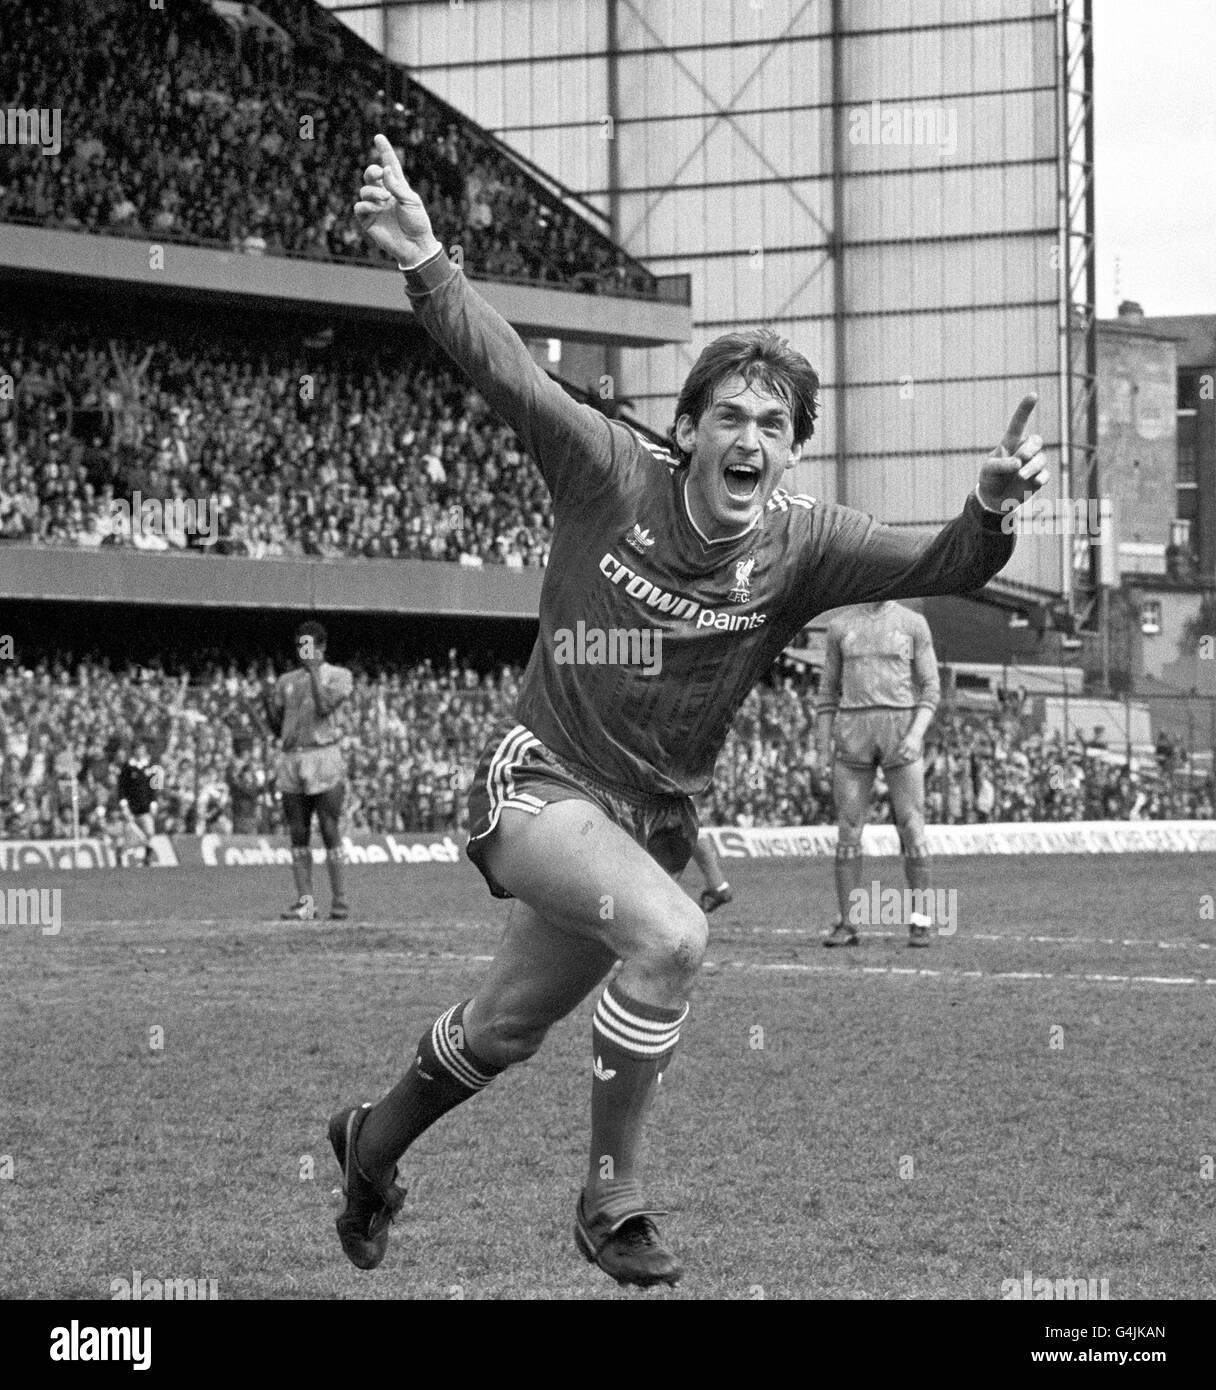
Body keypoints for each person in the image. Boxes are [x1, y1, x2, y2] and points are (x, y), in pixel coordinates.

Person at [330, 132, 1047, 1290]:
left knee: (503, 1030)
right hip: (538, 784)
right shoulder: (609, 470)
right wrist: (425, 259)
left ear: (794, 450)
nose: (749, 438)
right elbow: (506, 368)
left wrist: (991, 505)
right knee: (671, 937)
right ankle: (612, 1197)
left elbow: (951, 560)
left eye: (773, 424)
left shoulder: (805, 544)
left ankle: (369, 1142)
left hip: (642, 822)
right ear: (690, 428)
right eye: (730, 416)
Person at [817, 601, 940, 948]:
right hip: (854, 730)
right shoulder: (840, 626)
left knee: (912, 824)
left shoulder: (914, 623)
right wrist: (820, 747)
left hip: (900, 727)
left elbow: (931, 687)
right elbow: (827, 692)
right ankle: (848, 922)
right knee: (848, 828)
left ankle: (920, 921)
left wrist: (916, 734)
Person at [266, 620, 353, 921]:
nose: (304, 650)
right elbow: (278, 726)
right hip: (292, 757)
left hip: (323, 755)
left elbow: (325, 707)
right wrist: (268, 710)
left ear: (322, 646)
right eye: (300, 644)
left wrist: (315, 670)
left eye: (309, 644)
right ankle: (306, 902)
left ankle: (340, 901)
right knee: (297, 832)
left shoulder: (340, 676)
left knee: (329, 828)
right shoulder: (286, 681)